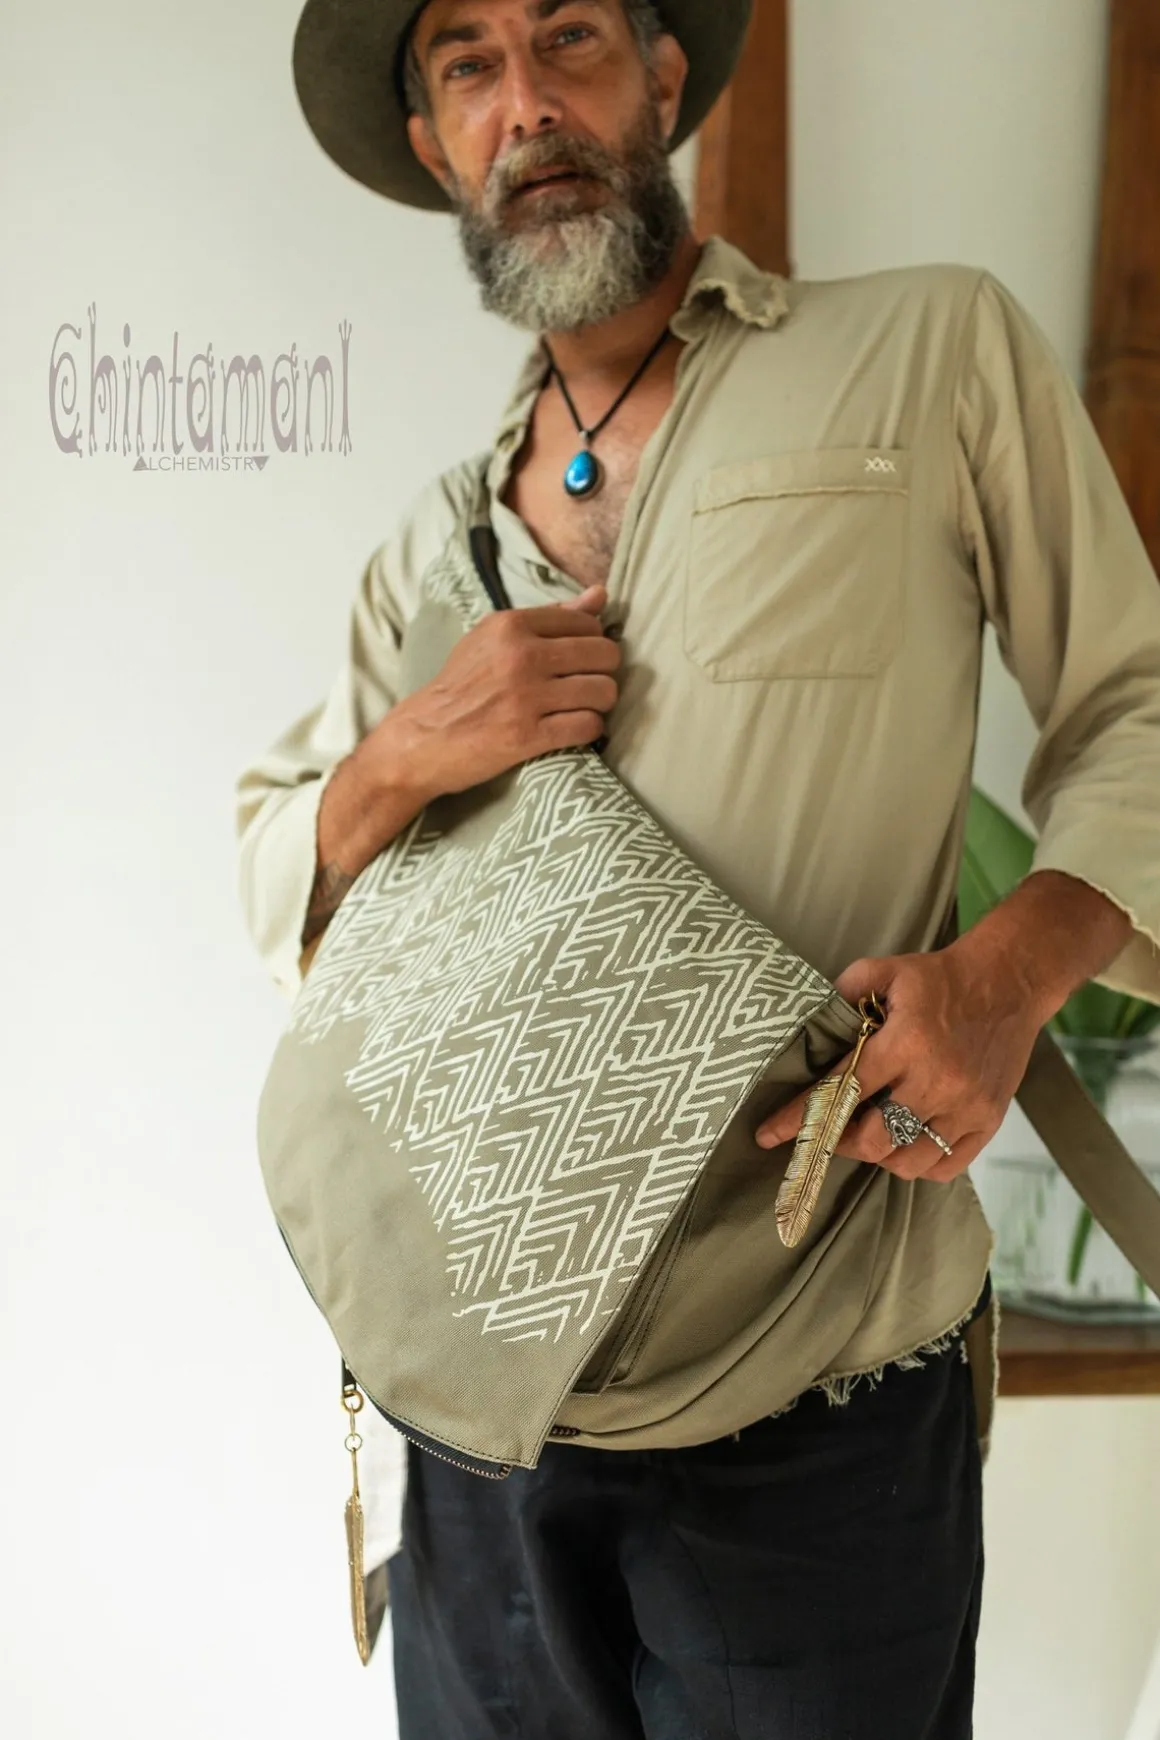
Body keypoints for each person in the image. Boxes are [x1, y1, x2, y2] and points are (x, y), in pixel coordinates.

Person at [234, 2, 1160, 1734]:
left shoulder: (929, 354)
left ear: (662, 75)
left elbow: (1139, 699)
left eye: (571, 35)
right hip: (472, 1414)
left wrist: (1013, 971)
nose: (528, 103)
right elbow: (290, 894)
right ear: (434, 143)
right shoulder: (419, 562)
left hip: (819, 1388)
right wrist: (403, 753)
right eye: (469, 65)